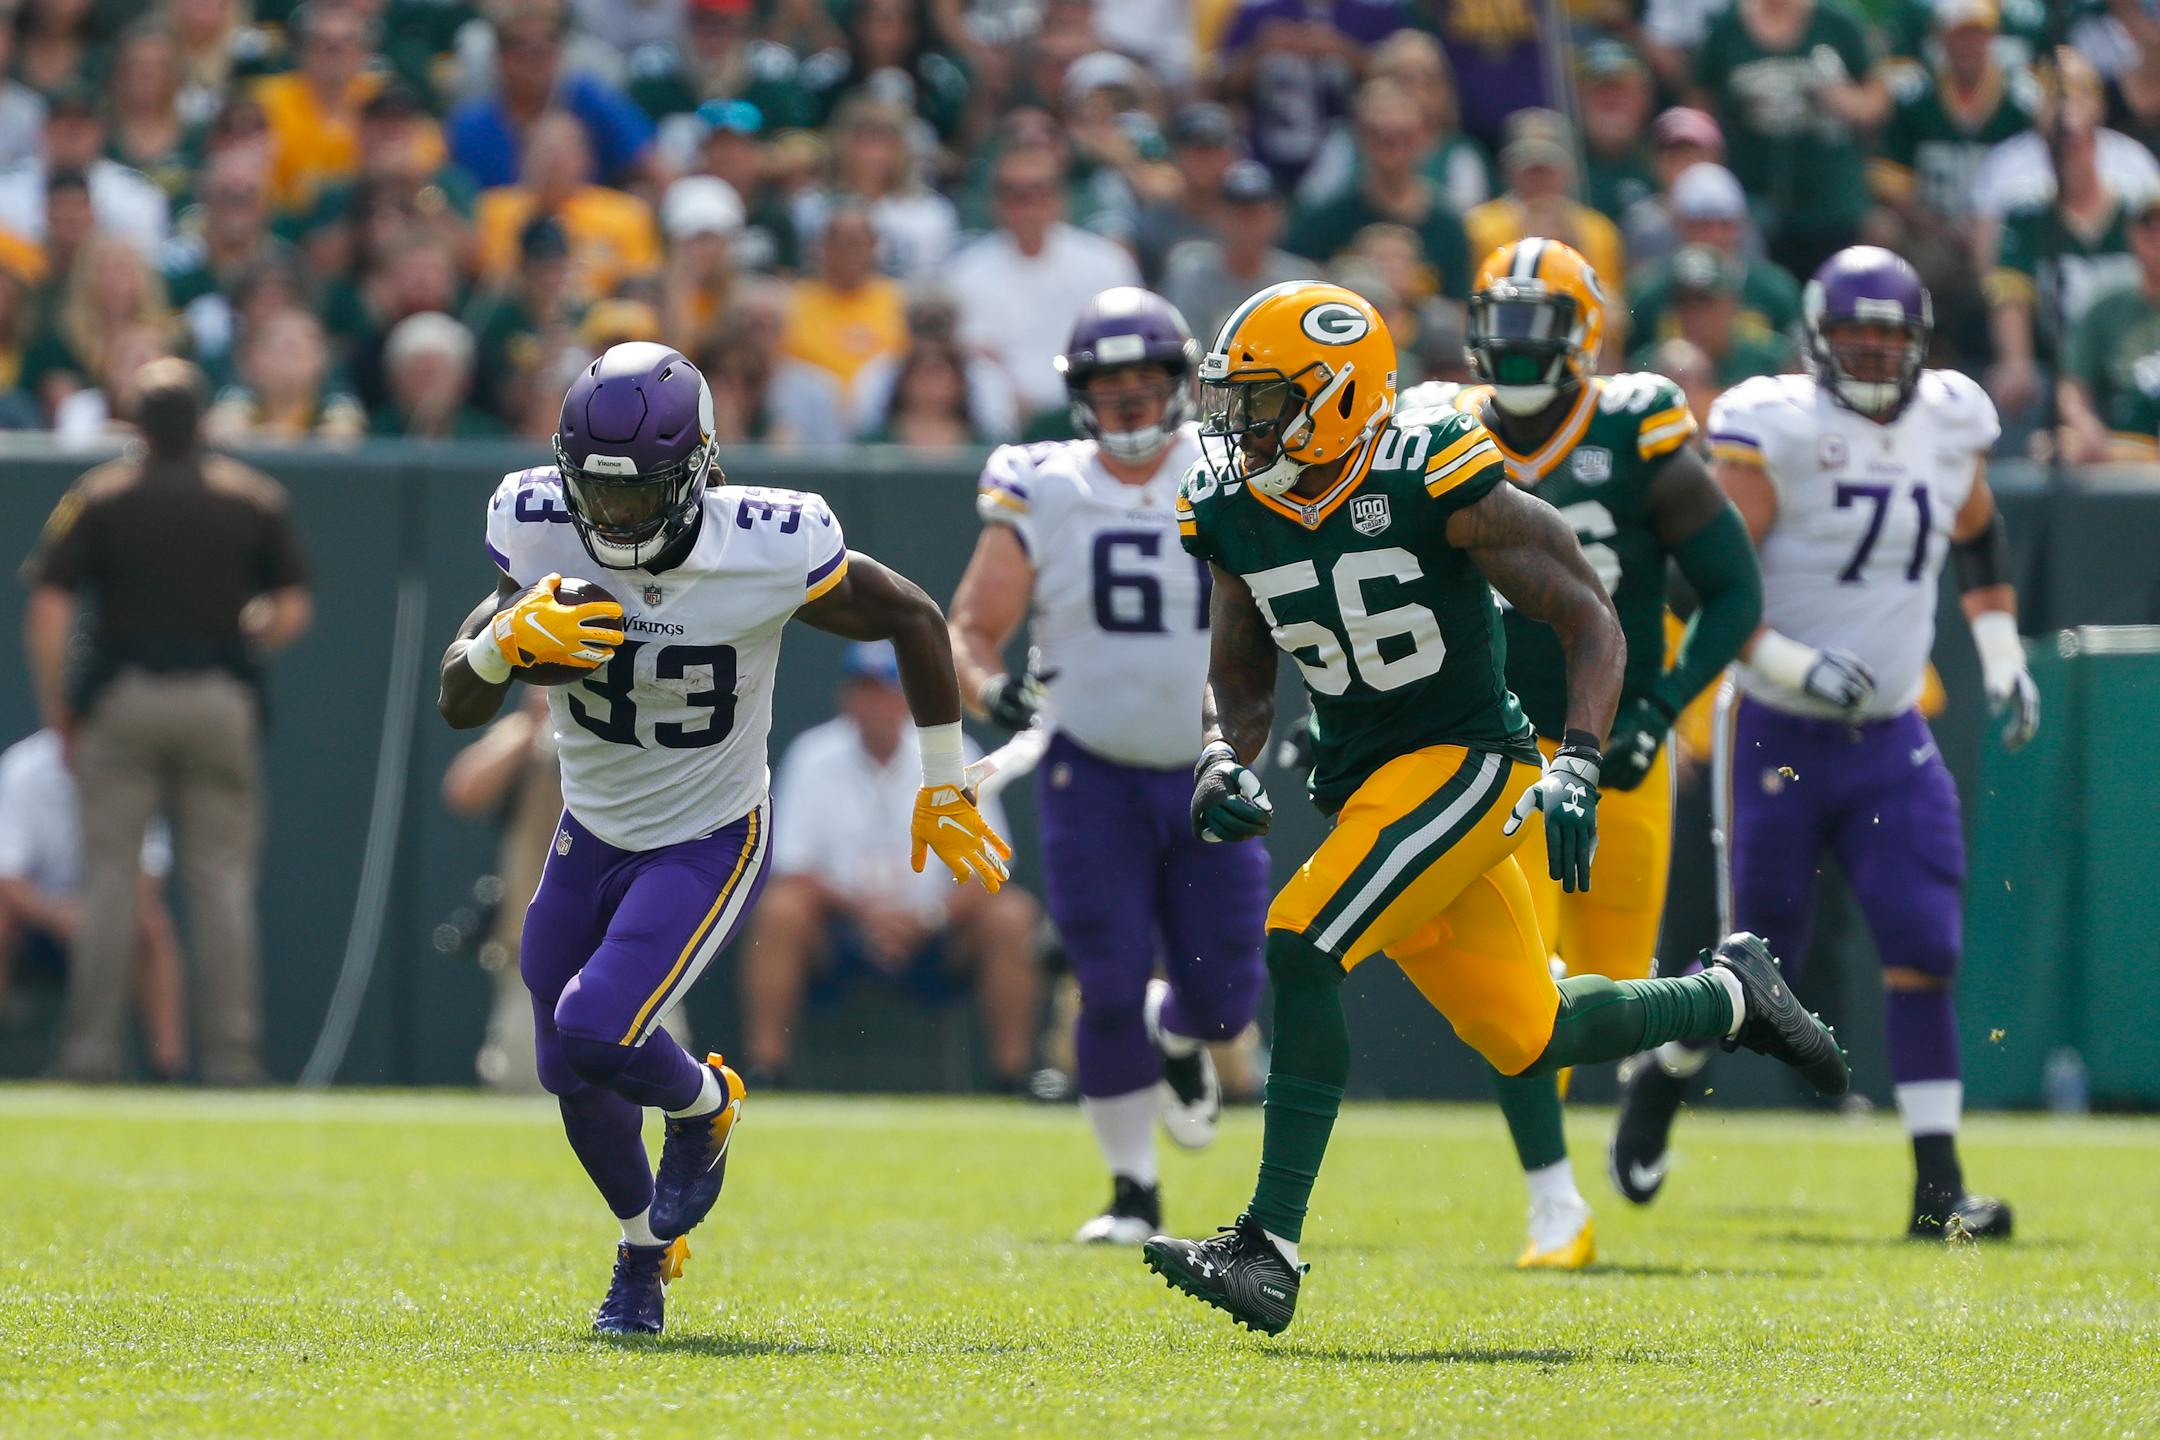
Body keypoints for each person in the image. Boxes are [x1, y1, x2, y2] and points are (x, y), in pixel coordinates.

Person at [1141, 281, 1847, 1335]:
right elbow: (1241, 677)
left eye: (1265, 400)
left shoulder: (1430, 467)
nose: (1240, 425)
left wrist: (1579, 761)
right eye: (1234, 401)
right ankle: (1730, 998)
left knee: (1300, 940)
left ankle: (1266, 1249)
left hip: (1470, 761)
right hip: (1370, 785)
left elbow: (1591, 616)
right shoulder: (1234, 504)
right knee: (1529, 1034)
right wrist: (1217, 757)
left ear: (1337, 397)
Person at [435, 340, 1011, 1336]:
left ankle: (705, 1103)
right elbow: (457, 700)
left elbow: (916, 617)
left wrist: (943, 777)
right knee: (568, 1069)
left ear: (702, 471)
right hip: (591, 827)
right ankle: (641, 1261)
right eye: (598, 494)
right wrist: (496, 647)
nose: (614, 519)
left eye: (638, 495)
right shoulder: (535, 522)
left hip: (707, 836)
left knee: (595, 1026)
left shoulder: (770, 543)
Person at [1610, 247, 2040, 1244]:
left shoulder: (1949, 419)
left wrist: (2002, 652)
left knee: (1925, 943)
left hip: (1891, 734)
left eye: (1889, 336)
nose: (1873, 352)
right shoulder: (1779, 426)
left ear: (1920, 341)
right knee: (1757, 971)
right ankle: (1659, 1084)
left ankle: (1939, 1192)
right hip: (1779, 732)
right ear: (1817, 337)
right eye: (1854, 334)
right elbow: (1701, 578)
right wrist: (1794, 664)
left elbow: (1977, 531)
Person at [1393, 238, 1764, 1269]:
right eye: (1499, 326)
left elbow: (1734, 591)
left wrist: (1662, 706)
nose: (1513, 350)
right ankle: (1553, 1204)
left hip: (1617, 751)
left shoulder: (1634, 425)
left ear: (1583, 335)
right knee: (1527, 989)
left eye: (1535, 327)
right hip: (1498, 745)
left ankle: (1683, 1048)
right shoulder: (1438, 427)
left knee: (1616, 985)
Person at [946, 288, 1267, 1245]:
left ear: (1180, 385)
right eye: (1108, 388)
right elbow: (972, 627)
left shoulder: (1233, 470)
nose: (1126, 404)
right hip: (1088, 768)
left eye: (1143, 386)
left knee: (1226, 998)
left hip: (1210, 769)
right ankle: (1133, 1192)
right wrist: (990, 689)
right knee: (1107, 977)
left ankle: (1182, 1036)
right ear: (1080, 394)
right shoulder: (1044, 481)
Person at [22, 358, 313, 1086]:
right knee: (220, 885)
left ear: (137, 423)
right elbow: (292, 606)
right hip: (218, 696)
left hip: (122, 700)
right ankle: (232, 1062)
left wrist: (58, 707)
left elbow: (49, 608)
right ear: (202, 420)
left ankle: (88, 1058)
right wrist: (250, 632)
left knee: (110, 882)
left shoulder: (100, 495)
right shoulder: (250, 496)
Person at [738, 642, 1038, 1088]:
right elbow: (793, 868)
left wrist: (926, 918)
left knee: (1012, 915)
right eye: (866, 691)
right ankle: (766, 1070)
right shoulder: (814, 754)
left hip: (937, 933)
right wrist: (866, 915)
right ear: (846, 698)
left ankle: (1012, 1077)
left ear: (908, 699)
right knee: (781, 909)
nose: (877, 703)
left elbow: (986, 871)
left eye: (888, 691)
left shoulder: (952, 753)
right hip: (841, 932)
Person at [0, 727, 183, 1079]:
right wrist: (57, 914)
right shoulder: (22, 769)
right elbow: (7, 876)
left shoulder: (134, 773)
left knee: (153, 925)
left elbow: (149, 872)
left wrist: (98, 916)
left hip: (110, 917)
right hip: (37, 917)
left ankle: (167, 1070)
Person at [947, 142, 1141, 424]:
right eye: (1015, 194)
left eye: (1040, 191)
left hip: (1092, 401)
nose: (1029, 204)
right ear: (996, 203)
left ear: (1059, 198)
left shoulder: (1106, 262)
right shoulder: (966, 271)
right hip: (1008, 414)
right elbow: (973, 353)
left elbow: (1127, 338)